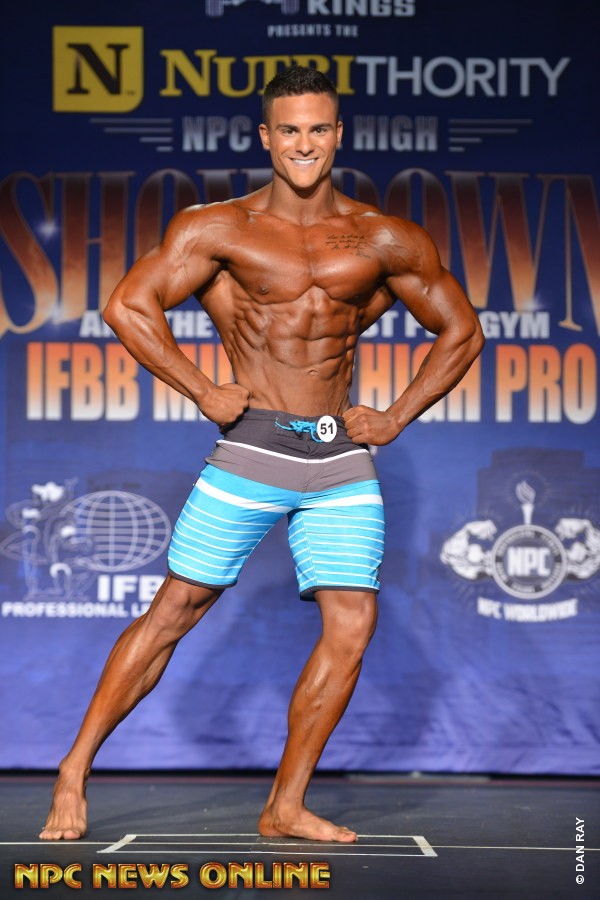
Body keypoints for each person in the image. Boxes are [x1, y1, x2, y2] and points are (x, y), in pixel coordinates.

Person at [39, 66, 484, 844]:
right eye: (290, 130)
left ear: (337, 135)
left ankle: (286, 805)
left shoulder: (384, 238)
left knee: (353, 626)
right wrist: (201, 388)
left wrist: (396, 416)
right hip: (252, 447)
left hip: (337, 456)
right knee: (176, 611)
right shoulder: (219, 228)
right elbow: (127, 306)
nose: (304, 144)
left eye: (318, 129)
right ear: (267, 138)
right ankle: (73, 771)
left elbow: (463, 330)